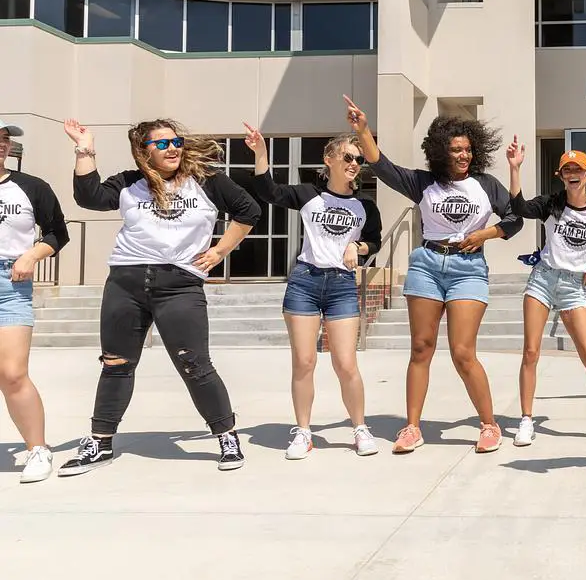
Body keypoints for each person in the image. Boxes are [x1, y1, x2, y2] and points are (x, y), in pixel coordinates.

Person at [57, 118, 261, 476]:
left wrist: (219, 251)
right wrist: (84, 148)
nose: (173, 149)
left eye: (176, 141)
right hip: (125, 283)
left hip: (179, 285)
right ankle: (100, 442)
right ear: (144, 151)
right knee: (116, 364)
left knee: (194, 364)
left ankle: (227, 436)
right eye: (163, 144)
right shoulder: (128, 183)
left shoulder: (207, 181)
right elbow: (88, 197)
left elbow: (249, 211)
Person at [342, 96, 523, 454]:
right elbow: (382, 166)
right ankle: (412, 427)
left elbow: (515, 218)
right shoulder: (424, 183)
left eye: (468, 149)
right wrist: (363, 130)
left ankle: (490, 424)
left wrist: (485, 234)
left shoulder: (486, 185)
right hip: (427, 264)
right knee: (421, 348)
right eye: (456, 150)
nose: (463, 155)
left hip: (467, 270)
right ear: (442, 151)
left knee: (462, 352)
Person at [243, 125, 383, 459]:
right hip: (305, 282)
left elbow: (375, 241)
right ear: (330, 159)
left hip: (341, 286)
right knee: (304, 362)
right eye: (348, 156)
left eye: (358, 159)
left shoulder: (365, 206)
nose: (354, 163)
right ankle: (304, 432)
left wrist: (359, 246)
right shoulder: (308, 195)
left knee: (346, 363)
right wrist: (261, 153)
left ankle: (360, 428)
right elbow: (269, 192)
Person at [504, 138, 586, 446]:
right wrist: (515, 168)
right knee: (531, 352)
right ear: (560, 175)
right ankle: (526, 420)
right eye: (566, 169)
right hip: (543, 280)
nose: (572, 174)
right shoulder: (552, 204)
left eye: (578, 169)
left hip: (574, 286)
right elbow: (519, 207)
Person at [0, 120, 70, 483]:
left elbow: (59, 233)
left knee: (12, 373)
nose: (1, 144)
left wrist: (30, 256)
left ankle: (38, 450)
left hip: (9, 282)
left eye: (5, 139)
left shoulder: (31, 187)